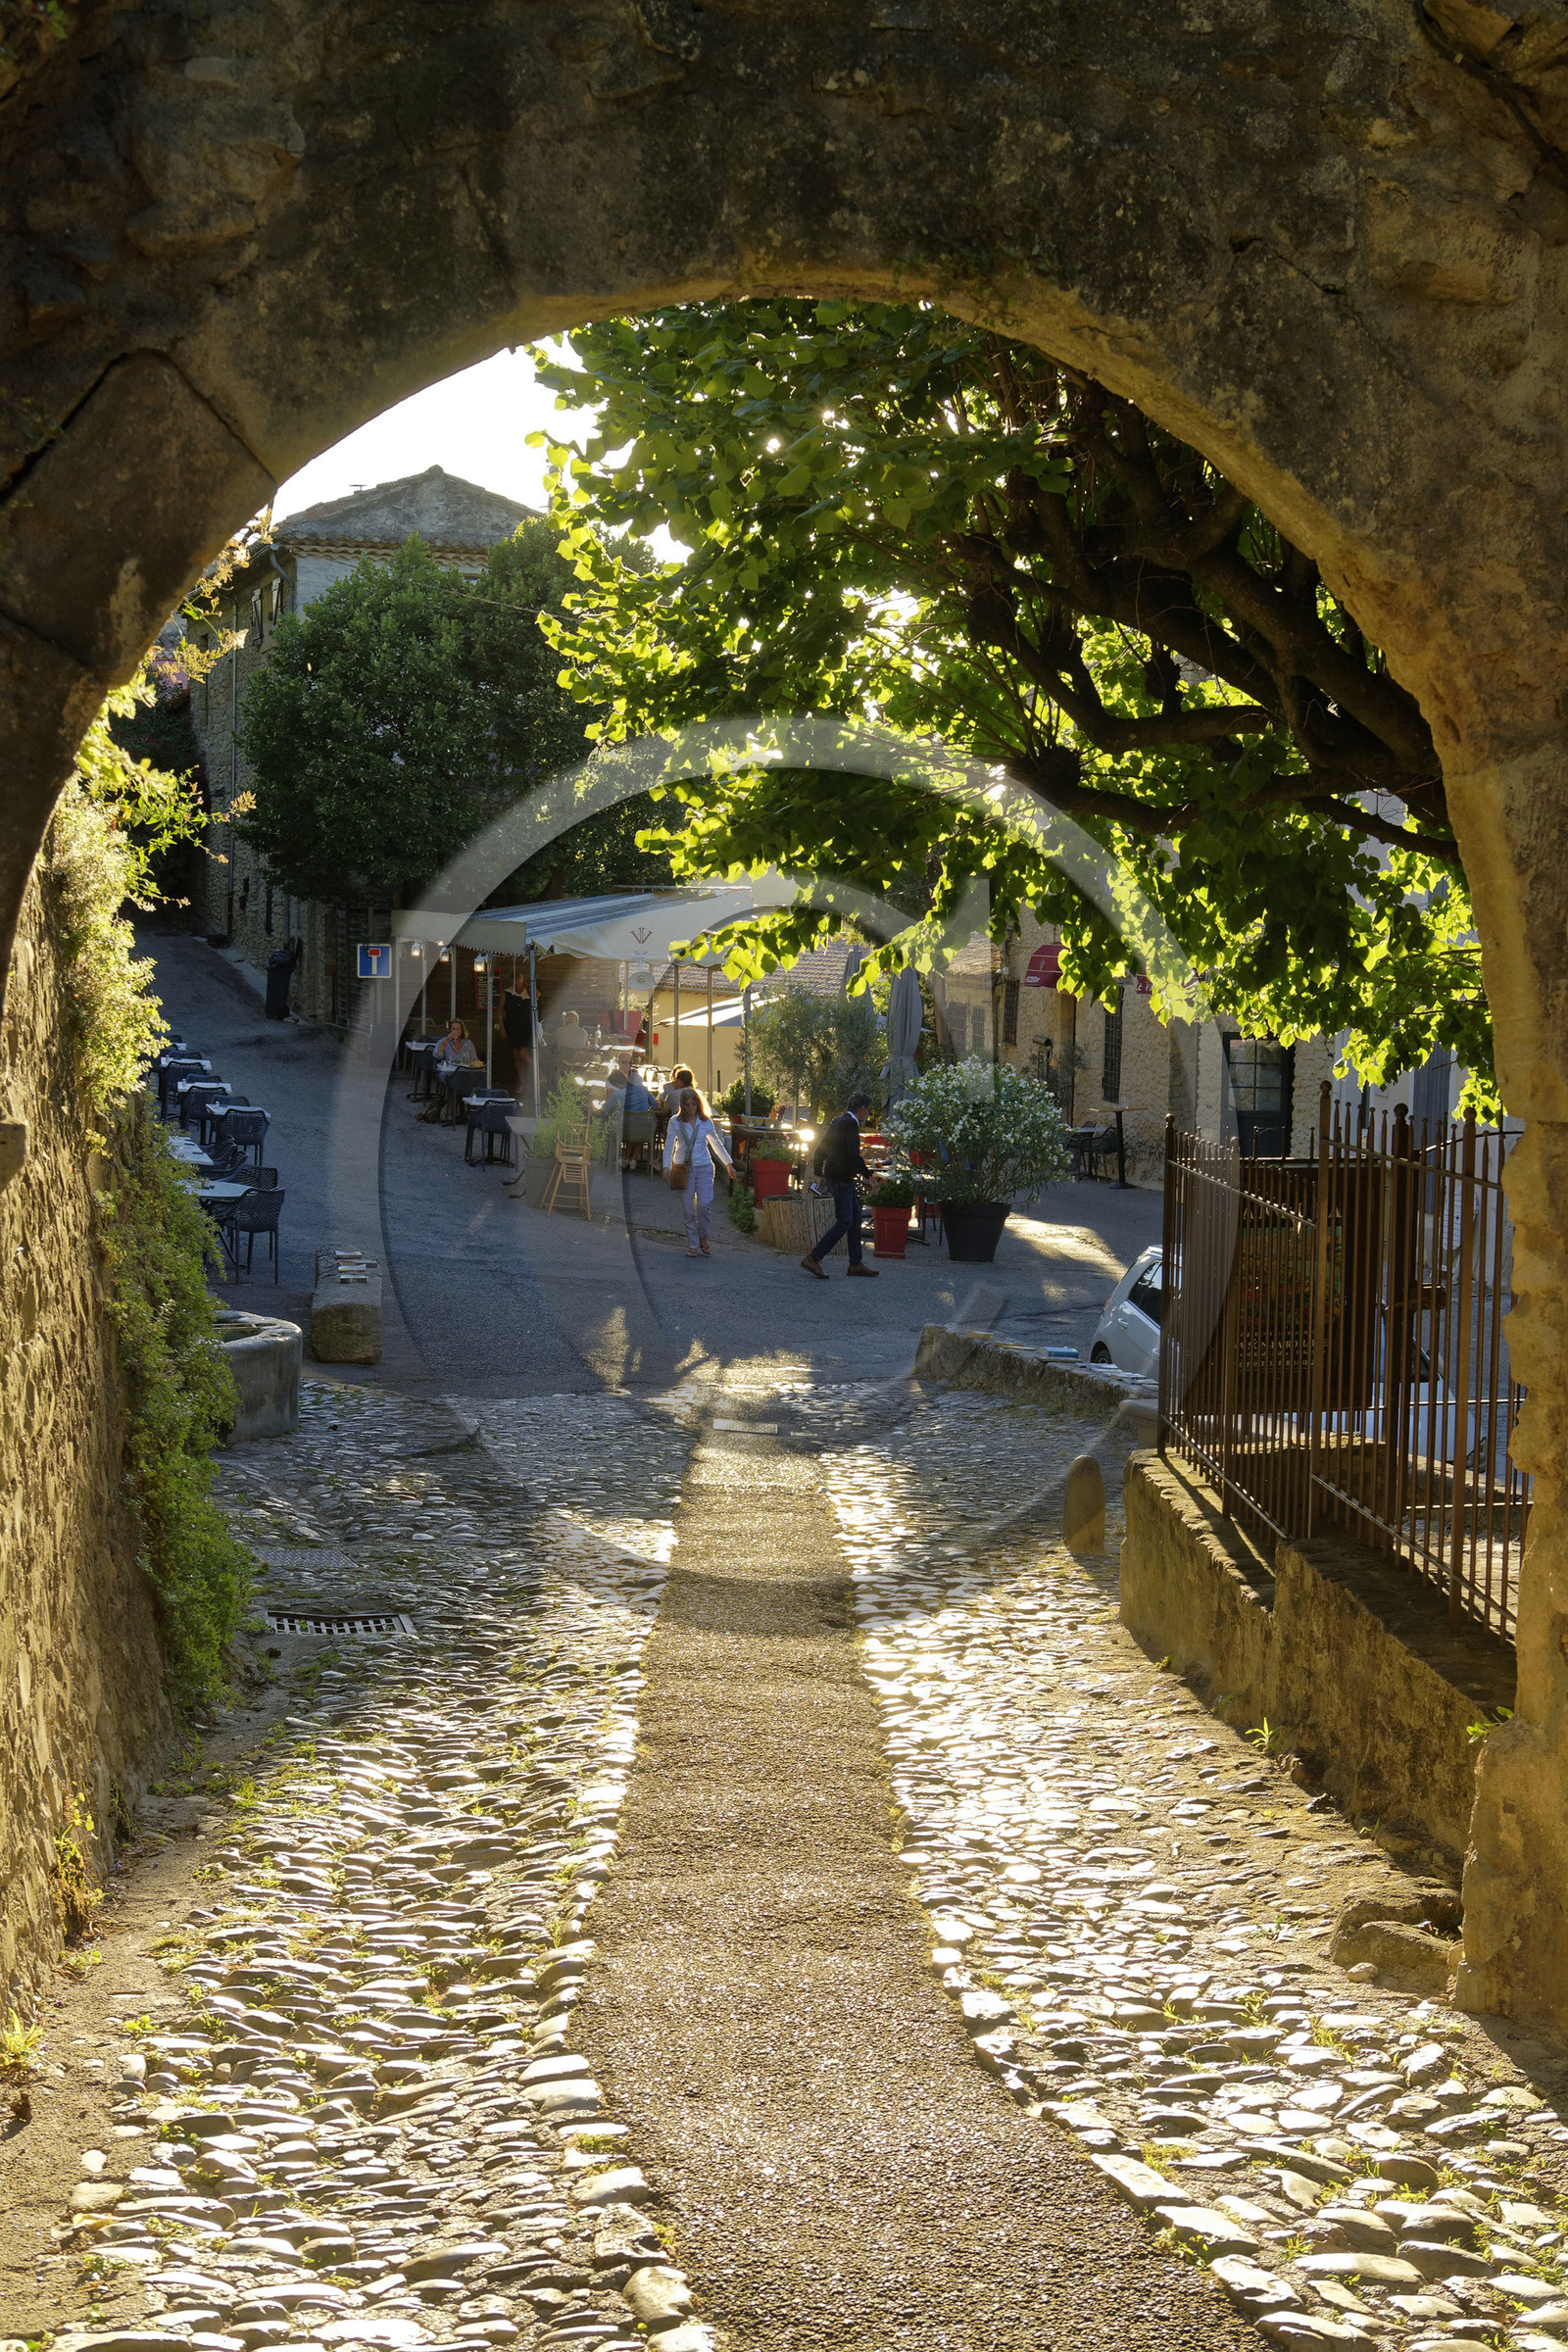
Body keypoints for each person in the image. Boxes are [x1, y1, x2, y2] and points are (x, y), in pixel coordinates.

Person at [801, 1089, 878, 1278]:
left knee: (856, 1219)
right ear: (861, 1109)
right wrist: (870, 1176)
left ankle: (856, 1263)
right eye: (867, 1110)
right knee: (845, 1221)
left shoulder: (838, 1121)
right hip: (842, 1177)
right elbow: (853, 1155)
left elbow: (820, 1149)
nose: (867, 1115)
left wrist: (818, 1173)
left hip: (835, 1176)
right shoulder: (851, 1124)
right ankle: (814, 1257)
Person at [666, 1085, 734, 1257]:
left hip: (704, 1167)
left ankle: (703, 1236)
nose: (691, 1108)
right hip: (683, 1168)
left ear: (698, 1104)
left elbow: (716, 1143)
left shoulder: (705, 1122)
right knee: (689, 1210)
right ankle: (693, 1243)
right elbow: (669, 1145)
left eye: (694, 1104)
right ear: (682, 1105)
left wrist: (728, 1163)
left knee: (704, 1205)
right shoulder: (675, 1121)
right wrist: (666, 1166)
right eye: (687, 1104)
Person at [265, 936, 299, 1021]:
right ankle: (278, 1012)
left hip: (276, 971)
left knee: (274, 991)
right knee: (279, 991)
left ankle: (273, 1012)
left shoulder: (279, 958)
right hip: (281, 971)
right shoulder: (284, 959)